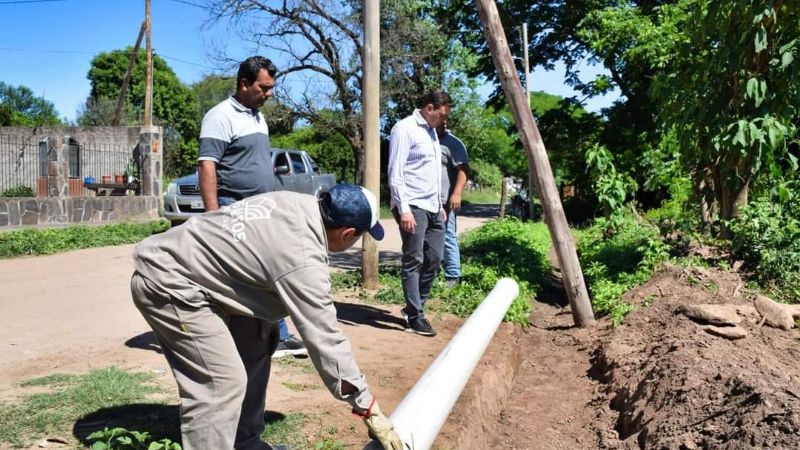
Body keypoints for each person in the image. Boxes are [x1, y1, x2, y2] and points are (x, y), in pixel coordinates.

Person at [130, 184, 403, 450]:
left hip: (198, 275)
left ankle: (243, 442)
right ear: (347, 233)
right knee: (222, 382)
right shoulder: (302, 258)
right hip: (168, 282)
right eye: (360, 237)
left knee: (259, 334)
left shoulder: (296, 202)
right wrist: (366, 406)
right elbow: (325, 340)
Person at [197, 55, 306, 359]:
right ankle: (258, 337)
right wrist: (212, 214)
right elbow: (207, 165)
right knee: (246, 276)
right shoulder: (220, 116)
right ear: (244, 83)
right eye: (264, 88)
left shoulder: (258, 116)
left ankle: (275, 335)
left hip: (261, 210)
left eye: (271, 88)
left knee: (270, 269)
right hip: (234, 209)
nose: (269, 94)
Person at [387, 90, 452, 337]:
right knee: (414, 259)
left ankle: (416, 306)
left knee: (435, 259)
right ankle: (415, 316)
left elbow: (432, 172)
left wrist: (440, 206)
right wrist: (404, 210)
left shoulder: (431, 131)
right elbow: (395, 172)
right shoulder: (404, 129)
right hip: (412, 204)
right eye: (442, 115)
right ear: (429, 108)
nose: (444, 120)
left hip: (434, 207)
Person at [436, 124, 469, 288]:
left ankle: (453, 277)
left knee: (448, 236)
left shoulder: (452, 142)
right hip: (426, 200)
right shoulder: (427, 139)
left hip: (445, 200)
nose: (443, 123)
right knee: (429, 239)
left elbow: (463, 170)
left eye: (445, 119)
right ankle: (432, 272)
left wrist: (456, 194)